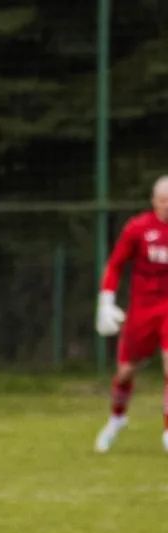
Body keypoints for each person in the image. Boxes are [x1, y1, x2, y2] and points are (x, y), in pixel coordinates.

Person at [93, 175, 168, 454]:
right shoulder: (138, 228)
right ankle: (117, 418)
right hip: (142, 310)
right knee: (125, 373)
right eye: (163, 200)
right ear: (154, 201)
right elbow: (115, 265)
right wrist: (106, 301)